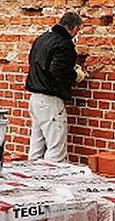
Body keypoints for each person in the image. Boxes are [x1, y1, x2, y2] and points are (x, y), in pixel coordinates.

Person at [26, 12, 85, 162]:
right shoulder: (64, 44)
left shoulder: (42, 38)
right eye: (78, 31)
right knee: (56, 148)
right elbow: (58, 71)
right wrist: (75, 75)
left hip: (35, 98)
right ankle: (52, 181)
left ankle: (32, 176)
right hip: (50, 99)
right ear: (75, 28)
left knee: (37, 144)